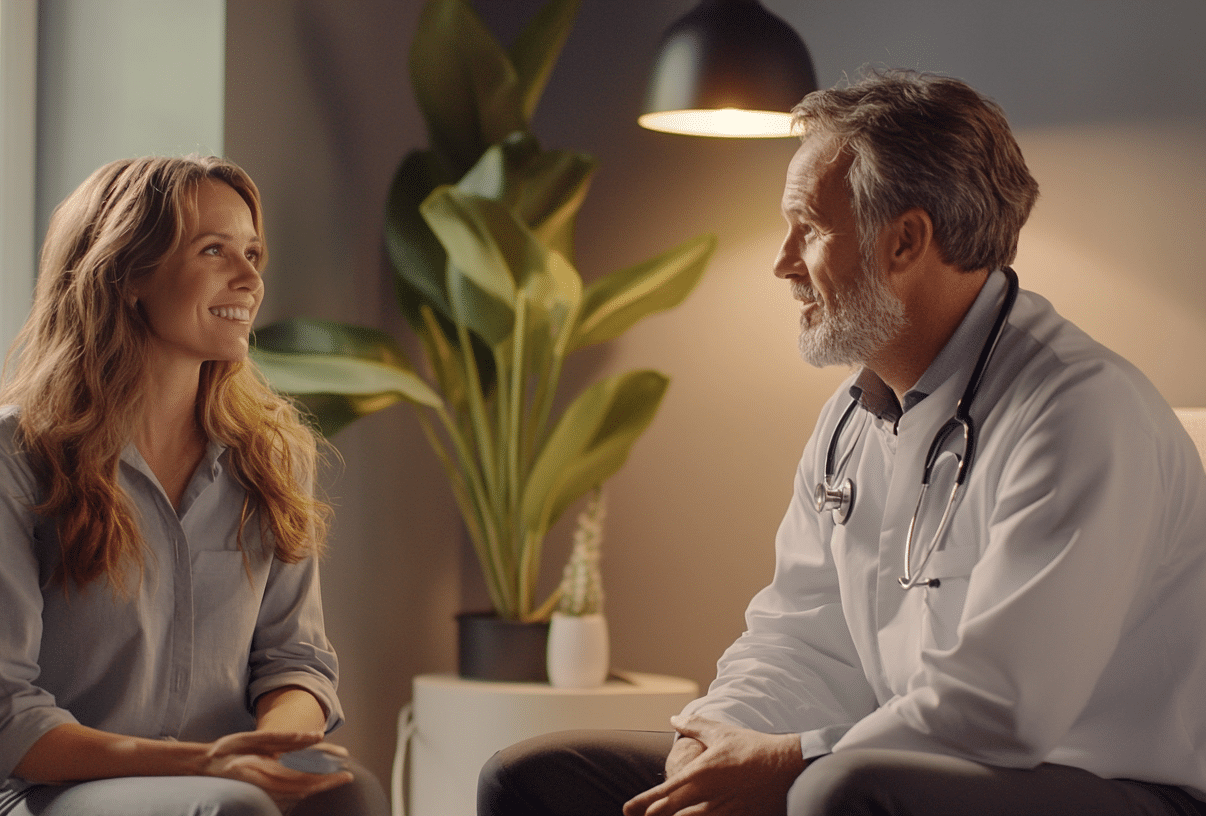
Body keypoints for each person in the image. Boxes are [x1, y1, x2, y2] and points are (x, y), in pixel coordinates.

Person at [478, 70, 1206, 816]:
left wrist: (792, 760)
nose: (783, 261)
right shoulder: (853, 418)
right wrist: (716, 736)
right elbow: (797, 633)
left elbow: (1004, 707)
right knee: (539, 775)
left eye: (810, 228)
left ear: (906, 240)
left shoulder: (1077, 412)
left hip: (1108, 784)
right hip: (899, 759)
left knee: (835, 789)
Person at [0, 156, 387, 816]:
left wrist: (268, 749)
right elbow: (1, 720)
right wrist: (209, 764)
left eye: (253, 252)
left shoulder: (272, 456)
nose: (251, 278)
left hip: (213, 783)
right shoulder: (1, 457)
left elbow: (296, 660)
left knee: (351, 794)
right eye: (214, 249)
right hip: (28, 792)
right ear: (128, 273)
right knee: (233, 811)